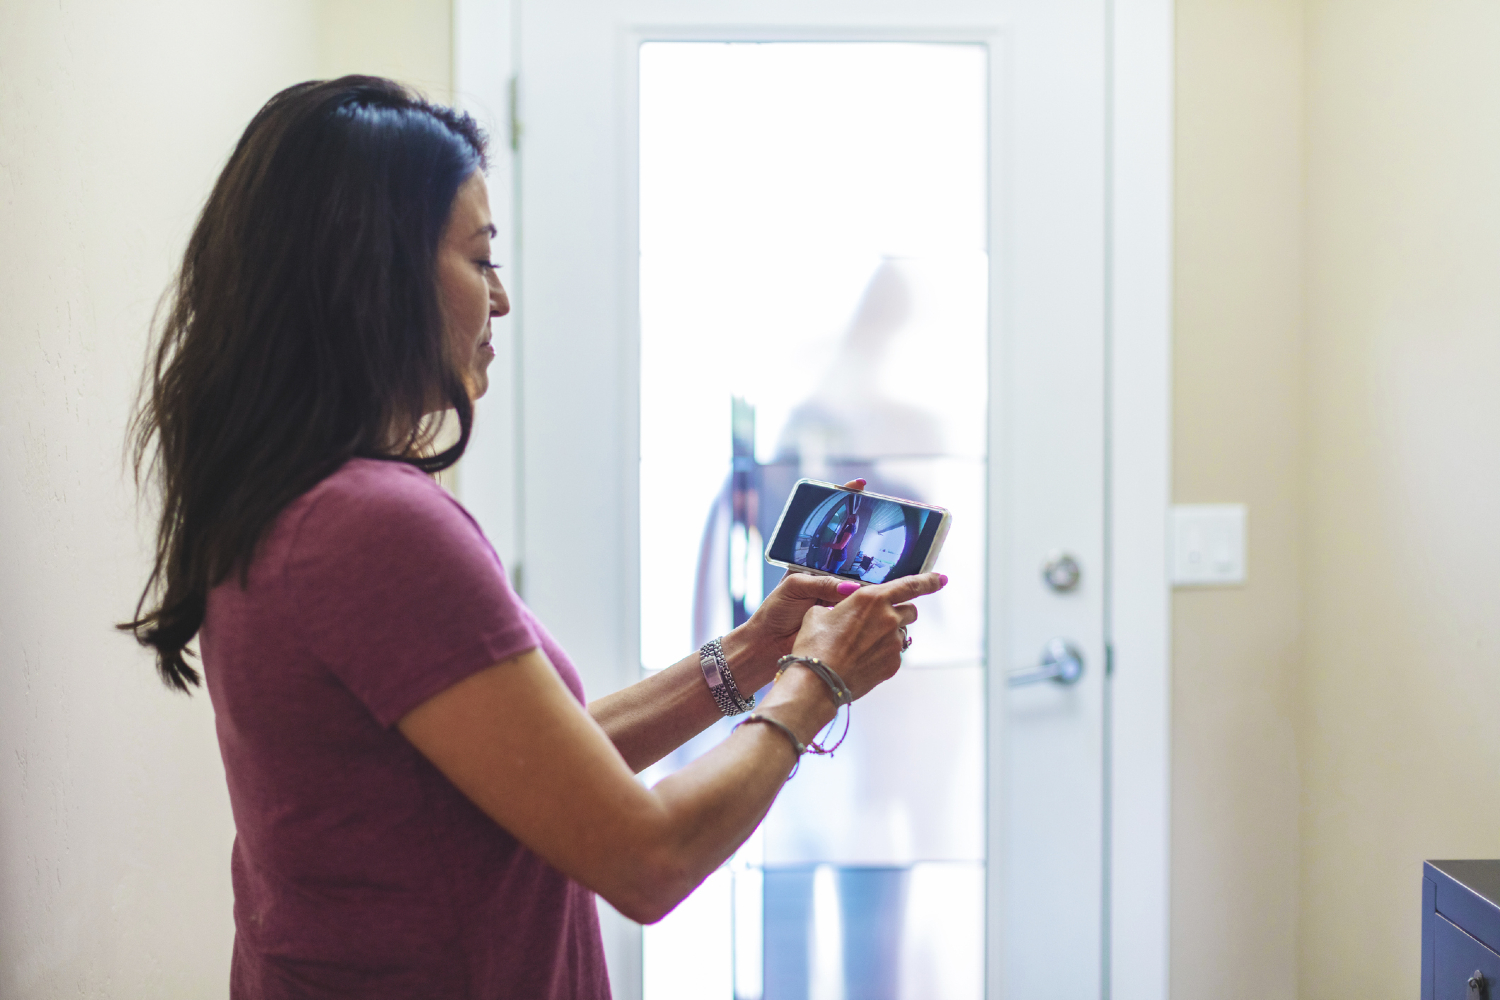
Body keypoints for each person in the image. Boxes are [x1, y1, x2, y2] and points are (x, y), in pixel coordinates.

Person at [118, 77, 944, 999]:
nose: (500, 301)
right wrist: (818, 683)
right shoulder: (374, 528)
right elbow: (647, 858)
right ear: (372, 276)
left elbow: (534, 768)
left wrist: (756, 652)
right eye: (479, 261)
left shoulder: (292, 499)